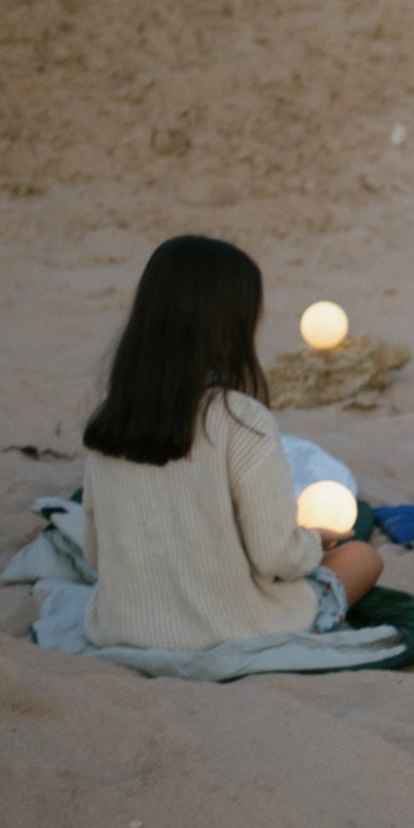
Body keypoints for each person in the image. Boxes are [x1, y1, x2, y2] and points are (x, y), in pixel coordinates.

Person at [80, 235, 383, 651]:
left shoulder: (109, 420)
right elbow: (277, 558)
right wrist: (315, 537)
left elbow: (96, 554)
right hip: (230, 629)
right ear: (229, 331)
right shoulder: (240, 420)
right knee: (362, 558)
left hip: (120, 626)